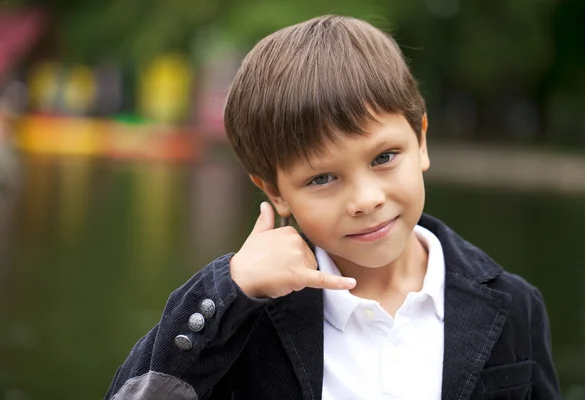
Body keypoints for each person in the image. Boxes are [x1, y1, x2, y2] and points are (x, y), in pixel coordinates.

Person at [104, 15, 560, 400]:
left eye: (384, 158)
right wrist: (231, 286)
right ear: (276, 192)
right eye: (322, 178)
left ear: (420, 139)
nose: (366, 200)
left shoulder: (516, 305)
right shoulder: (244, 314)